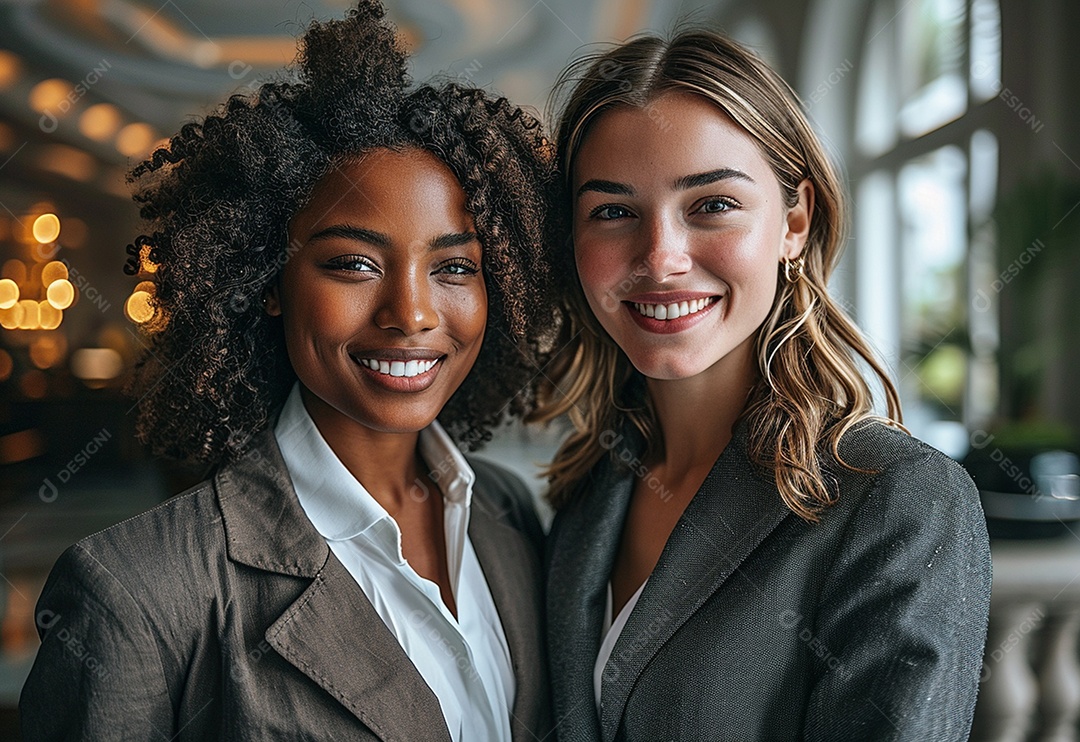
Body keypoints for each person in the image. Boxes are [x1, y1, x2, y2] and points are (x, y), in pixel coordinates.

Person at [19, 2, 559, 739]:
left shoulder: (510, 518)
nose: (411, 313)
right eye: (353, 264)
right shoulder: (137, 593)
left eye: (455, 266)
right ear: (268, 279)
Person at [535, 29, 992, 741]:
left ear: (795, 220)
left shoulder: (898, 500)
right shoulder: (588, 494)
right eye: (614, 211)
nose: (661, 259)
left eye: (712, 204)